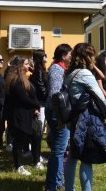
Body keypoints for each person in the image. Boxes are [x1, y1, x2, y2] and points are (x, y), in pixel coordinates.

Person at [63, 43, 106, 191]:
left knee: (73, 157)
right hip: (86, 120)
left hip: (74, 119)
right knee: (86, 159)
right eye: (92, 55)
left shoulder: (69, 73)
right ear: (87, 57)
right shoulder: (85, 74)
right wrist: (105, 114)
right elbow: (100, 97)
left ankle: (68, 188)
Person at [5, 56, 42, 175]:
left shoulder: (24, 79)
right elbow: (23, 98)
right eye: (26, 64)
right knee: (19, 141)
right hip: (20, 115)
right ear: (20, 66)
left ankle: (36, 161)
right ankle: (18, 166)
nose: (29, 66)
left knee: (35, 136)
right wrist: (37, 105)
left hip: (29, 114)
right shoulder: (15, 80)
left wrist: (35, 107)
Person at [45, 43, 72, 191]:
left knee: (59, 150)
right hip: (57, 114)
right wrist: (61, 118)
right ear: (63, 56)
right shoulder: (56, 69)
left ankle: (57, 181)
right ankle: (52, 185)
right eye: (70, 54)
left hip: (58, 113)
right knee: (58, 151)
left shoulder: (60, 68)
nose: (72, 57)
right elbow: (55, 94)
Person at [30, 49, 48, 169]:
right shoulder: (39, 72)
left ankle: (37, 156)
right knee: (38, 132)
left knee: (39, 132)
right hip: (40, 104)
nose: (47, 57)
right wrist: (49, 97)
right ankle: (36, 158)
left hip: (41, 103)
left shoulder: (39, 70)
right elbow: (42, 88)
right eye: (45, 55)